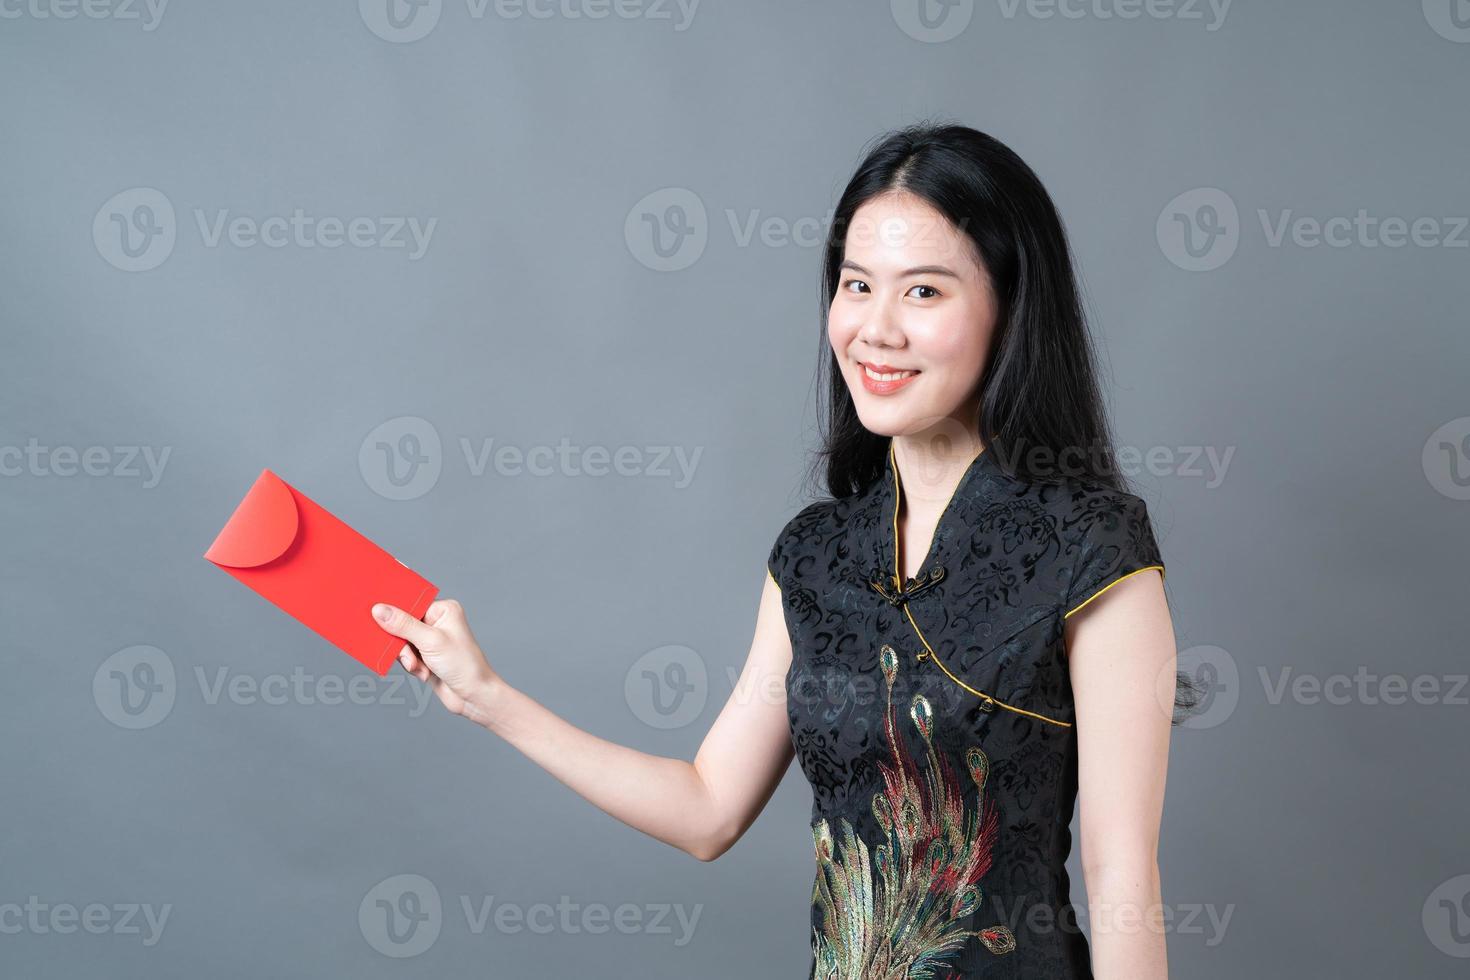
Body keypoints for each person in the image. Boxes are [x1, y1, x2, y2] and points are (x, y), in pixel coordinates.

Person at [372, 121, 1189, 979]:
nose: (875, 330)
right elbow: (707, 810)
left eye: (924, 293)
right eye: (856, 285)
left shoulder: (1093, 545)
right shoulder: (815, 557)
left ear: (1010, 308)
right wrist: (491, 698)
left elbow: (1121, 874)